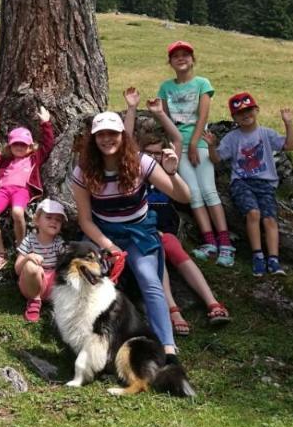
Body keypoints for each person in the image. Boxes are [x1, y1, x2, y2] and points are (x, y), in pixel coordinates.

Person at [70, 108, 189, 361]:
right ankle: (94, 344)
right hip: (103, 234)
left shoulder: (141, 162)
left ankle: (167, 346)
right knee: (91, 282)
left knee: (149, 279)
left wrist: (171, 172)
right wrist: (108, 246)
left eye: (113, 133)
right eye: (101, 134)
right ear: (93, 139)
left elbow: (183, 197)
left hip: (139, 233)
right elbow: (85, 220)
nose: (107, 139)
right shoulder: (83, 171)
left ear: (123, 135)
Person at [123, 89, 231, 333]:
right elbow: (127, 140)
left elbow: (177, 139)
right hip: (145, 229)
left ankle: (212, 301)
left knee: (172, 248)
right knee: (158, 248)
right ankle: (173, 308)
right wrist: (131, 108)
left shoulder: (169, 168)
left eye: (157, 153)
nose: (153, 157)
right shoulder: (137, 169)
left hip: (166, 226)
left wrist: (160, 114)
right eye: (148, 153)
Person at [157, 41, 233, 265]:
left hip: (199, 143)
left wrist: (194, 143)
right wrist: (176, 145)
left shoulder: (202, 84)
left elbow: (203, 115)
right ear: (170, 62)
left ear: (193, 59)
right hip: (178, 146)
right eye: (176, 56)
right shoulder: (165, 88)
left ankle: (226, 243)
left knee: (209, 191)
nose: (181, 59)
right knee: (194, 194)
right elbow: (167, 119)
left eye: (185, 55)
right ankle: (209, 242)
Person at [209, 92, 293, 277]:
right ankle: (257, 255)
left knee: (270, 219)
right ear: (234, 117)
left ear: (256, 110)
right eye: (240, 113)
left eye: (249, 110)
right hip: (242, 182)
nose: (245, 115)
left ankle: (273, 259)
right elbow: (217, 158)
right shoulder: (232, 138)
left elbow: (289, 146)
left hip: (266, 184)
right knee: (253, 213)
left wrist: (288, 124)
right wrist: (211, 145)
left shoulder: (266, 133)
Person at [0, 106, 55, 271]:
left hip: (21, 191)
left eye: (23, 144)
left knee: (17, 212)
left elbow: (48, 144)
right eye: (16, 144)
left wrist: (46, 123)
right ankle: (0, 254)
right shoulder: (5, 161)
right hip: (2, 191)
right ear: (9, 146)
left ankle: (21, 248)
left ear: (30, 146)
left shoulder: (34, 158)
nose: (19, 147)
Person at [14, 198, 67, 322]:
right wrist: (28, 257)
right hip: (33, 284)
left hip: (53, 287)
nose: (54, 222)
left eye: (58, 220)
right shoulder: (30, 240)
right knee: (31, 267)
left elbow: (66, 257)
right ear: (37, 220)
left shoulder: (58, 242)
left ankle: (61, 304)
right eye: (49, 217)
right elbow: (17, 269)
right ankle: (34, 302)